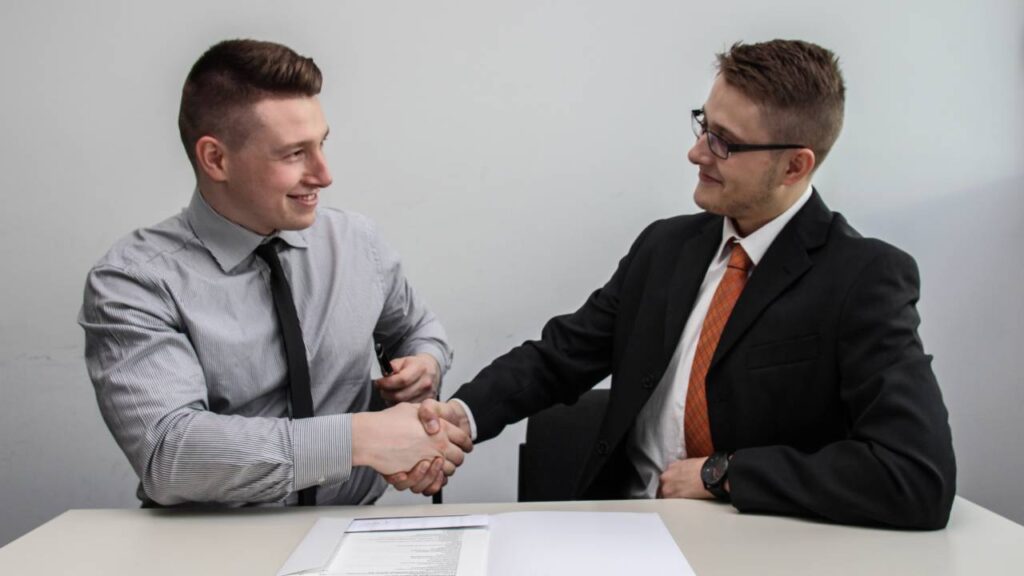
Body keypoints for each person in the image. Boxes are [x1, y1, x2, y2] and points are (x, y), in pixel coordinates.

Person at [398, 39, 956, 529]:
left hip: (758, 547)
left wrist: (724, 474)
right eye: (703, 126)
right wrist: (460, 416)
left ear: (794, 166)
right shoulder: (666, 248)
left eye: (723, 143)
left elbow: (915, 476)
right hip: (621, 532)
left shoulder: (863, 278)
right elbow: (559, 357)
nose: (696, 153)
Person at [79, 39, 468, 507]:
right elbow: (171, 455)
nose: (324, 175)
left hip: (354, 530)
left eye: (321, 144)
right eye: (293, 154)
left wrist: (423, 365)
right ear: (216, 159)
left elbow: (418, 330)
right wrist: (357, 439)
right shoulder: (133, 282)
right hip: (212, 547)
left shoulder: (358, 243)